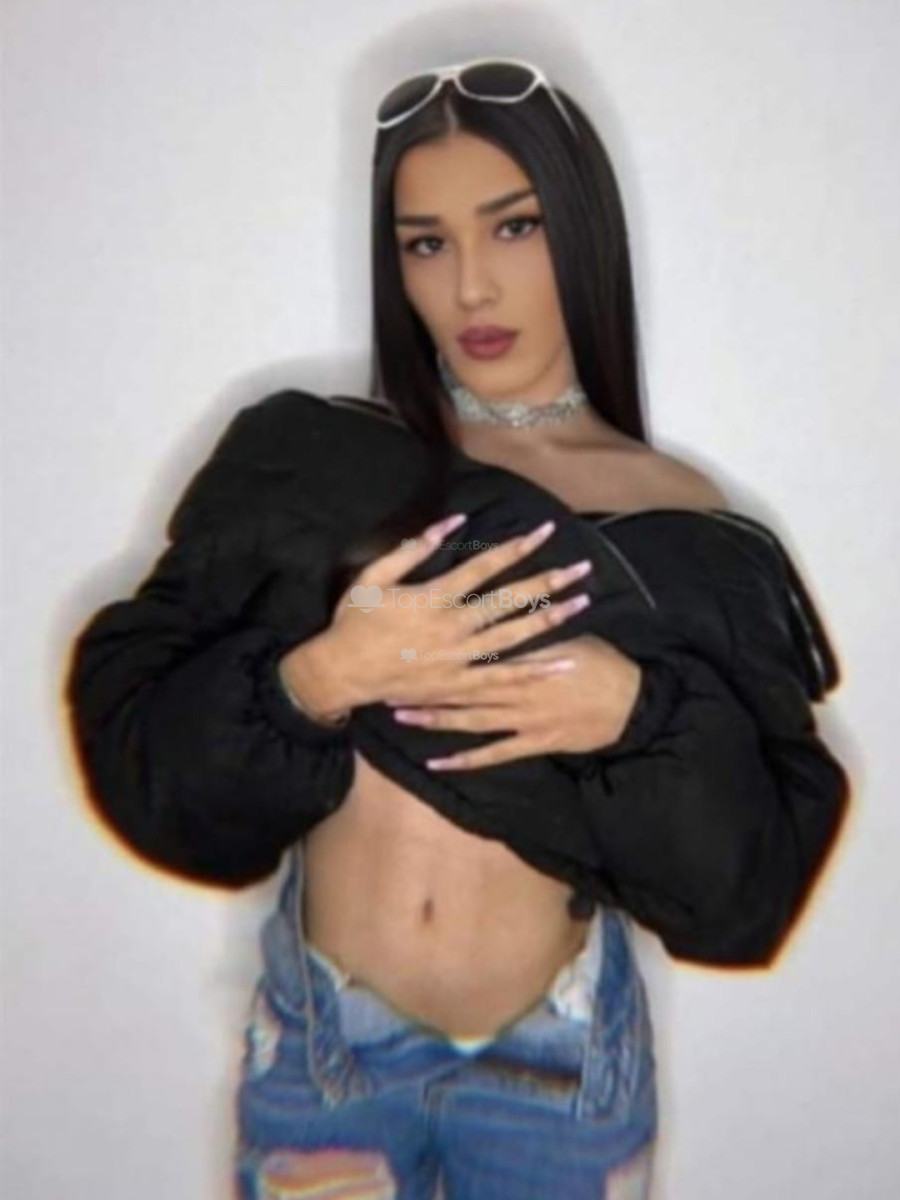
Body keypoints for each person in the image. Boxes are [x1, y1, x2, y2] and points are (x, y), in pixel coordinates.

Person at [64, 59, 849, 1200]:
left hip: (563, 1068)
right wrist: (324, 674)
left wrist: (633, 710)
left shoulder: (683, 520)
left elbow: (749, 878)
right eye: (426, 243)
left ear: (581, 230)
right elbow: (147, 749)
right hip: (326, 1052)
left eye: (515, 226)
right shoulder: (311, 463)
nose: (473, 286)